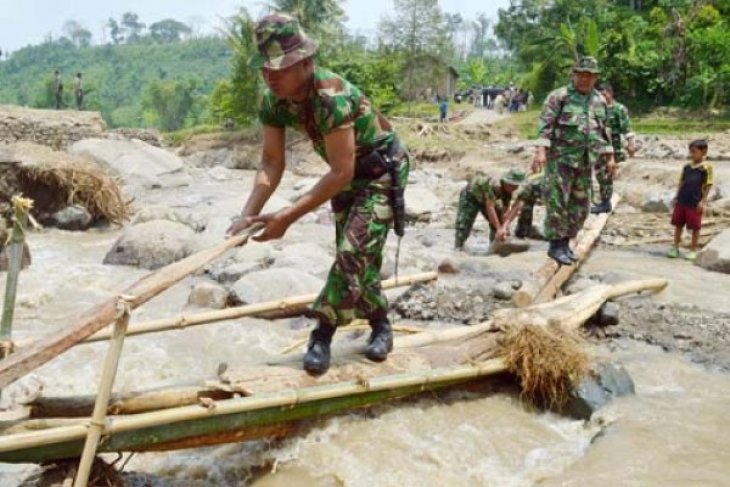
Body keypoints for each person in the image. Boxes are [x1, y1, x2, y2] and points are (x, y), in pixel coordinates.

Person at [226, 14, 409, 375]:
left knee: (352, 253)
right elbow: (271, 162)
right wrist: (247, 213)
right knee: (358, 258)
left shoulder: (330, 96)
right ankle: (382, 325)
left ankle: (321, 333)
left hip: (379, 172)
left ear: (306, 62)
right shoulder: (272, 99)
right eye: (265, 68)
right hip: (347, 175)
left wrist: (287, 218)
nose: (270, 76)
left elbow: (342, 171)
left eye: (280, 68)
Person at [532, 56, 615, 266]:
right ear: (574, 75)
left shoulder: (599, 100)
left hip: (586, 162)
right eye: (582, 75)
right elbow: (545, 126)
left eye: (591, 76)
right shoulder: (559, 97)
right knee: (557, 203)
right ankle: (555, 245)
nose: (586, 79)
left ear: (596, 78)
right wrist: (540, 151)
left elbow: (604, 131)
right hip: (561, 160)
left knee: (581, 206)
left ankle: (566, 242)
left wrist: (610, 157)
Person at [454, 168, 526, 250]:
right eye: (513, 186)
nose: (515, 188)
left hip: (487, 199)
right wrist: (499, 228)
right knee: (464, 224)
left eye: (516, 186)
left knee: (498, 221)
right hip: (471, 196)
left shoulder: (508, 191)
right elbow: (490, 207)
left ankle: (495, 248)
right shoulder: (494, 185)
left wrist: (504, 228)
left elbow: (505, 210)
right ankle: (458, 248)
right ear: (507, 182)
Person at [592, 83, 635, 213]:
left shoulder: (618, 109)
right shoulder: (596, 108)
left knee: (606, 173)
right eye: (600, 95)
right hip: (599, 144)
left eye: (604, 94)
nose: (603, 97)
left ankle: (605, 203)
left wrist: (630, 143)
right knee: (599, 173)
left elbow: (627, 127)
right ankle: (600, 200)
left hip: (613, 145)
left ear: (611, 94)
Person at [668, 140, 713, 261]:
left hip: (695, 201)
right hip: (682, 200)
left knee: (695, 227)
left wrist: (702, 201)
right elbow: (682, 182)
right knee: (678, 224)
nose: (692, 154)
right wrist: (677, 196)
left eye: (694, 152)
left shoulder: (706, 168)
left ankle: (693, 249)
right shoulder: (687, 167)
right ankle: (675, 247)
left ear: (703, 152)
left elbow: (708, 185)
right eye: (690, 152)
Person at [496, 172, 545, 241]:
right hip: (539, 188)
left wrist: (504, 226)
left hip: (554, 187)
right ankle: (524, 230)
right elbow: (517, 205)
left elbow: (517, 206)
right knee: (527, 204)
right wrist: (505, 227)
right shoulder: (526, 187)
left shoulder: (526, 186)